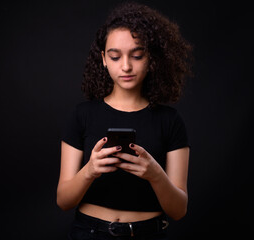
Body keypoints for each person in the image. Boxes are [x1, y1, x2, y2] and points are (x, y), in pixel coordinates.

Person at [57, 1, 193, 239]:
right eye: (115, 56)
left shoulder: (170, 120)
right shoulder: (82, 115)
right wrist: (89, 170)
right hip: (89, 232)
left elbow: (179, 210)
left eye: (137, 55)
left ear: (150, 59)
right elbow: (63, 201)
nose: (126, 66)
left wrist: (155, 175)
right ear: (104, 59)